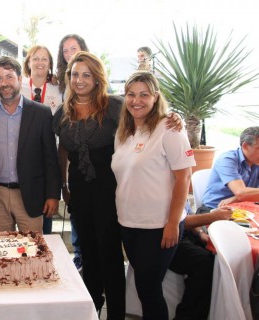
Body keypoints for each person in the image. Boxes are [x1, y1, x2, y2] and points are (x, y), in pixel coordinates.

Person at [111, 71, 195, 319]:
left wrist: (172, 223)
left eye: (144, 95)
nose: (137, 100)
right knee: (144, 287)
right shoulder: (124, 132)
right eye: (131, 94)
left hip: (159, 225)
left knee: (148, 289)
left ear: (156, 96)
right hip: (129, 223)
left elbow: (185, 177)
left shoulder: (169, 127)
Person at [53, 51, 126, 317]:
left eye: (86, 75)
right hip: (79, 192)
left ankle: (116, 312)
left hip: (110, 191)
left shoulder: (115, 107)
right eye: (75, 74)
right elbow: (62, 151)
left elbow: (145, 124)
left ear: (97, 79)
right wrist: (63, 186)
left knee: (110, 255)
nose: (80, 80)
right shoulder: (63, 112)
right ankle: (91, 309)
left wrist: (171, 118)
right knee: (88, 254)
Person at [0, 56, 61, 233]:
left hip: (30, 194)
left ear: (20, 79)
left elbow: (50, 158)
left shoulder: (41, 113)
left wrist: (53, 195)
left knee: (33, 252)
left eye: (9, 77)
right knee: (3, 253)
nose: (4, 83)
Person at [55, 33, 89, 271]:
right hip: (75, 174)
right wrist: (63, 184)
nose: (69, 54)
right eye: (65, 50)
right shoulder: (62, 106)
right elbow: (63, 145)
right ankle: (80, 262)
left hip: (105, 181)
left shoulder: (111, 106)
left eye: (73, 49)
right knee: (78, 225)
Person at [21, 45, 62, 234]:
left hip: (48, 156)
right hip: (22, 155)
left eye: (44, 59)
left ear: (50, 64)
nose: (40, 62)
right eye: (35, 58)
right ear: (28, 63)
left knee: (45, 209)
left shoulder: (58, 89)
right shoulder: (18, 86)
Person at [169, 202, 233, 320]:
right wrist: (213, 217)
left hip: (186, 232)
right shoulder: (164, 188)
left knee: (222, 249)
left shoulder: (178, 184)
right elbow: (176, 222)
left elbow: (188, 213)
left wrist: (200, 233)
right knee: (205, 262)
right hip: (168, 240)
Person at [200, 126, 259, 211]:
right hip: (213, 210)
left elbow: (242, 195)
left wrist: (237, 198)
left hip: (243, 210)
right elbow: (241, 192)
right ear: (245, 146)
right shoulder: (227, 159)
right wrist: (240, 196)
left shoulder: (256, 160)